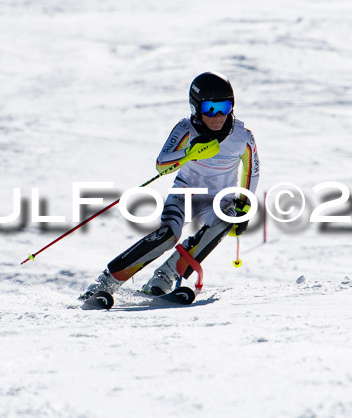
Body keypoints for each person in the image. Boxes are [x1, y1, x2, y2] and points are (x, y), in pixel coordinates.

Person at [80, 71, 260, 299]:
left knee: (227, 218)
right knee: (167, 236)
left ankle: (164, 279)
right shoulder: (186, 129)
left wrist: (245, 207)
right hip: (184, 194)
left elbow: (253, 170)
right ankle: (106, 282)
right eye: (210, 109)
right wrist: (188, 153)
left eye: (223, 107)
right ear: (196, 108)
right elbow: (161, 163)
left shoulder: (242, 136)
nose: (217, 116)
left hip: (219, 201)